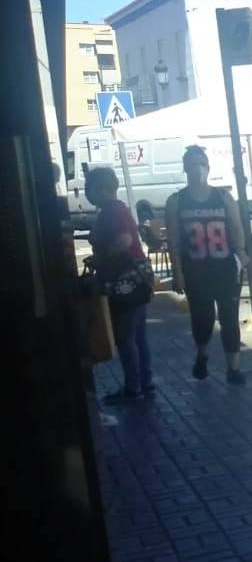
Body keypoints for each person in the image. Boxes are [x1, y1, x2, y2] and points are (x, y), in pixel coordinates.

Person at [166, 146, 249, 385]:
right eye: (192, 164)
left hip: (225, 268)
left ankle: (233, 368)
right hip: (196, 270)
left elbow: (236, 227)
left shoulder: (223, 197)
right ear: (185, 169)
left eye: (201, 163)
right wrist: (177, 272)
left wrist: (241, 253)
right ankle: (202, 355)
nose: (197, 169)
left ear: (209, 167)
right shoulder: (177, 201)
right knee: (202, 319)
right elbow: (174, 240)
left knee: (229, 318)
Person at [86, 166, 154, 403]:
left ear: (100, 189)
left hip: (125, 283)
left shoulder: (111, 212)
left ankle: (133, 388)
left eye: (89, 188)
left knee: (126, 338)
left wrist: (100, 257)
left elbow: (124, 241)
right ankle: (145, 382)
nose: (87, 193)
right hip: (138, 280)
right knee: (138, 336)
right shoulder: (119, 209)